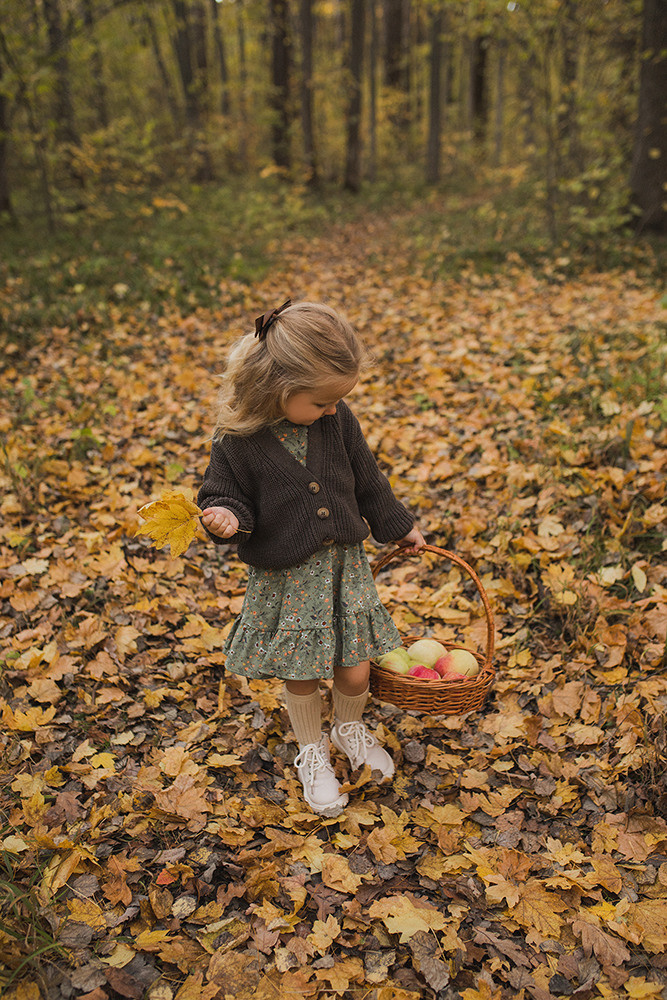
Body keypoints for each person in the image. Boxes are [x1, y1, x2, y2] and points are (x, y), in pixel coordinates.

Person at [198, 299, 426, 816]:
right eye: (321, 401)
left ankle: (348, 728)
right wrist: (226, 517)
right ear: (279, 389)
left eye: (335, 402)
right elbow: (223, 493)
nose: (330, 410)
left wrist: (399, 526)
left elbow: (367, 479)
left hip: (345, 568)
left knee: (354, 667)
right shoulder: (237, 441)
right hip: (288, 575)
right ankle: (311, 749)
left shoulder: (336, 419)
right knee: (301, 670)